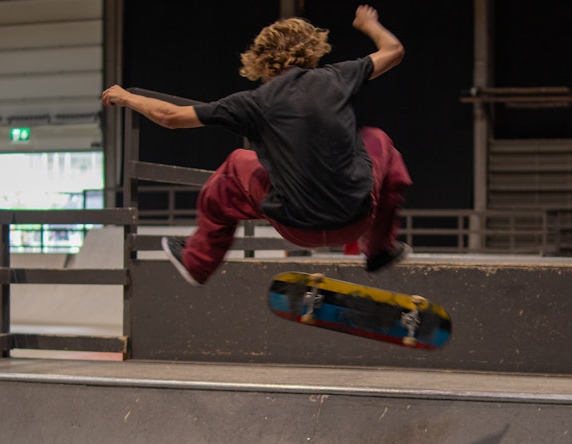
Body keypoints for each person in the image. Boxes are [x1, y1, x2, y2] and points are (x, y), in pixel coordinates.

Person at [102, 5, 412, 286]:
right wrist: (369, 23)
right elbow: (394, 50)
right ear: (311, 50)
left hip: (295, 226)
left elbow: (171, 117)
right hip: (356, 220)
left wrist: (127, 97)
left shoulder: (253, 102)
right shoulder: (338, 76)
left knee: (236, 165)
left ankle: (197, 260)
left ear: (261, 62)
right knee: (378, 139)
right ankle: (380, 248)